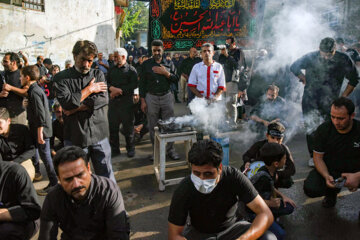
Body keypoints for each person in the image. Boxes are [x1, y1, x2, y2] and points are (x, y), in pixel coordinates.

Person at [168, 139, 275, 240]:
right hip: (200, 234)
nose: (201, 179)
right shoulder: (184, 188)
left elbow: (266, 214)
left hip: (232, 229)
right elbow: (174, 235)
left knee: (269, 238)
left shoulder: (234, 177)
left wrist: (243, 238)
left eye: (208, 174)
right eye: (196, 173)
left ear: (219, 168)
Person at [290, 37, 359, 166]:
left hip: (332, 101)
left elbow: (354, 79)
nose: (326, 57)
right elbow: (294, 66)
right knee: (311, 127)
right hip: (310, 99)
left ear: (335, 49)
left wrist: (343, 96)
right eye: (324, 54)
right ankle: (313, 155)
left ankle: (331, 155)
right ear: (319, 49)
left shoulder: (343, 59)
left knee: (332, 127)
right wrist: (303, 78)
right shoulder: (311, 57)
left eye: (329, 54)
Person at [54, 40, 116, 183]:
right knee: (78, 177)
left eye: (90, 60)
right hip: (76, 136)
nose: (86, 64)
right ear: (75, 56)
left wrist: (77, 107)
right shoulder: (61, 78)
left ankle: (110, 202)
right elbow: (67, 103)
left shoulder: (98, 74)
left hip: (99, 134)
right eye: (83, 59)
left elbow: (102, 100)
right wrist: (90, 89)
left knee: (106, 175)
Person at [38, 146, 130, 240]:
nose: (76, 184)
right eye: (68, 179)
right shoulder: (53, 199)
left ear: (89, 168)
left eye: (80, 175)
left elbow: (118, 235)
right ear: (59, 179)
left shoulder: (108, 191)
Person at [303, 97, 360, 208]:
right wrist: (326, 176)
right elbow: (317, 158)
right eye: (332, 117)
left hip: (357, 170)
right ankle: (331, 193)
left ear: (352, 116)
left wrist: (357, 176)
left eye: (341, 118)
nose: (336, 122)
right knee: (311, 188)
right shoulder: (324, 130)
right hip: (333, 170)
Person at [139, 39, 180, 160]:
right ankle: (156, 151)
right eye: (154, 50)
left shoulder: (169, 63)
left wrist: (165, 73)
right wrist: (142, 100)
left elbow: (176, 79)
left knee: (169, 124)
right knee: (153, 126)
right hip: (151, 97)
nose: (156, 52)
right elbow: (142, 84)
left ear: (163, 50)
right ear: (151, 51)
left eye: (159, 50)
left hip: (166, 96)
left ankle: (170, 150)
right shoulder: (146, 64)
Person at [21, 65, 58, 195]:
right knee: (38, 153)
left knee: (46, 157)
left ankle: (54, 183)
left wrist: (39, 133)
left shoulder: (34, 91)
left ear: (27, 77)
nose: (20, 79)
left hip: (41, 130)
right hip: (38, 129)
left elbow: (41, 114)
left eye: (21, 76)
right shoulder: (34, 90)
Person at [249, 142, 296, 240]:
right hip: (254, 211)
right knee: (280, 235)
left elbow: (271, 186)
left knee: (289, 207)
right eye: (284, 159)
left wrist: (283, 196)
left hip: (264, 205)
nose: (286, 160)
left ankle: (272, 219)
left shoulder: (271, 171)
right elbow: (251, 201)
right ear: (276, 163)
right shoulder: (262, 178)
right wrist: (270, 203)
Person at [242, 122, 295, 188]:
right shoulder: (259, 145)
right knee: (243, 171)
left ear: (282, 138)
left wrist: (278, 174)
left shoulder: (284, 149)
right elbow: (246, 155)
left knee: (288, 181)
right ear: (267, 136)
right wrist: (247, 162)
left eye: (278, 139)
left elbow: (292, 169)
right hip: (259, 172)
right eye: (272, 138)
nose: (275, 141)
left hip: (274, 174)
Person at [0, 159, 41, 239]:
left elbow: (33, 211)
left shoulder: (16, 172)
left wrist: (3, 214)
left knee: (5, 230)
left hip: (23, 221)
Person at [108, 48, 138, 157]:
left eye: (116, 57)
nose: (114, 59)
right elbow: (106, 83)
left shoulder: (131, 70)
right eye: (114, 57)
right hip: (113, 105)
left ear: (123, 57)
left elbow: (134, 85)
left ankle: (130, 148)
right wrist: (111, 88)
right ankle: (115, 150)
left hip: (127, 104)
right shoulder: (112, 69)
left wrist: (119, 91)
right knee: (113, 129)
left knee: (128, 129)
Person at [0, 107, 36, 180]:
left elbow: (31, 150)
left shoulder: (22, 129)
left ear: (8, 121)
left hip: (22, 160)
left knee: (26, 174)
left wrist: (15, 162)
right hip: (4, 164)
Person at [0, 52, 27, 125]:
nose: (3, 64)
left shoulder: (23, 75)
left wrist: (11, 88)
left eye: (6, 61)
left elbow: (27, 93)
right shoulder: (1, 75)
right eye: (3, 61)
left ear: (13, 62)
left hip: (17, 115)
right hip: (2, 116)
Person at [218, 45, 241, 124]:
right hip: (222, 82)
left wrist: (227, 55)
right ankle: (225, 121)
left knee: (231, 102)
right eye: (222, 50)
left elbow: (236, 65)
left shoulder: (234, 55)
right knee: (223, 102)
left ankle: (232, 122)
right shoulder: (220, 57)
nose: (222, 51)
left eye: (224, 49)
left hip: (231, 81)